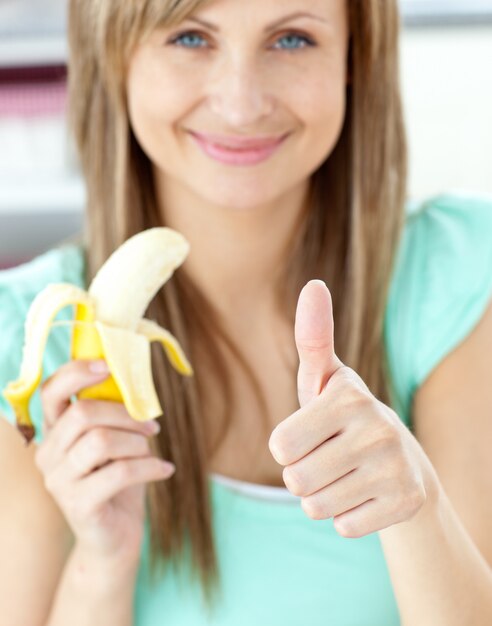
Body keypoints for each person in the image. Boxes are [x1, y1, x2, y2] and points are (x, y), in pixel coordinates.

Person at [1, 0, 491, 624]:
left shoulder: (460, 274)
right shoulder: (30, 339)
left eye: (290, 39)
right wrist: (103, 561)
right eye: (188, 37)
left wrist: (417, 512)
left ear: (354, 57)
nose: (241, 102)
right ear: (112, 56)